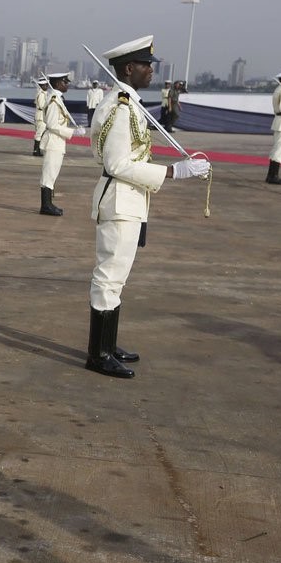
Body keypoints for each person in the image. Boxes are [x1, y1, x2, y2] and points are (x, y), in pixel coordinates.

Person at [87, 35, 209, 379]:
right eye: (146, 66)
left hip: (132, 201)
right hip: (119, 201)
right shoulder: (120, 107)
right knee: (108, 278)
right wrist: (173, 171)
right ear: (129, 68)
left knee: (117, 279)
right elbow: (117, 164)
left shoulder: (130, 104)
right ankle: (98, 354)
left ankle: (108, 346)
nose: (151, 72)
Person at [38, 72, 86, 216]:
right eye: (65, 82)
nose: (67, 85)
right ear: (58, 83)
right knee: (48, 174)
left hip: (57, 142)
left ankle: (49, 204)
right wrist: (72, 132)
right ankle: (45, 205)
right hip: (53, 141)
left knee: (52, 174)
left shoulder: (57, 98)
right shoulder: (54, 101)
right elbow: (52, 125)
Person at [32, 76, 49, 156]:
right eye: (45, 85)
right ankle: (36, 150)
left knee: (41, 134)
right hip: (41, 116)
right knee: (39, 134)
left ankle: (38, 150)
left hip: (42, 115)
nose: (47, 86)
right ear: (42, 86)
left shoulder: (43, 93)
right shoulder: (41, 94)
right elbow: (42, 106)